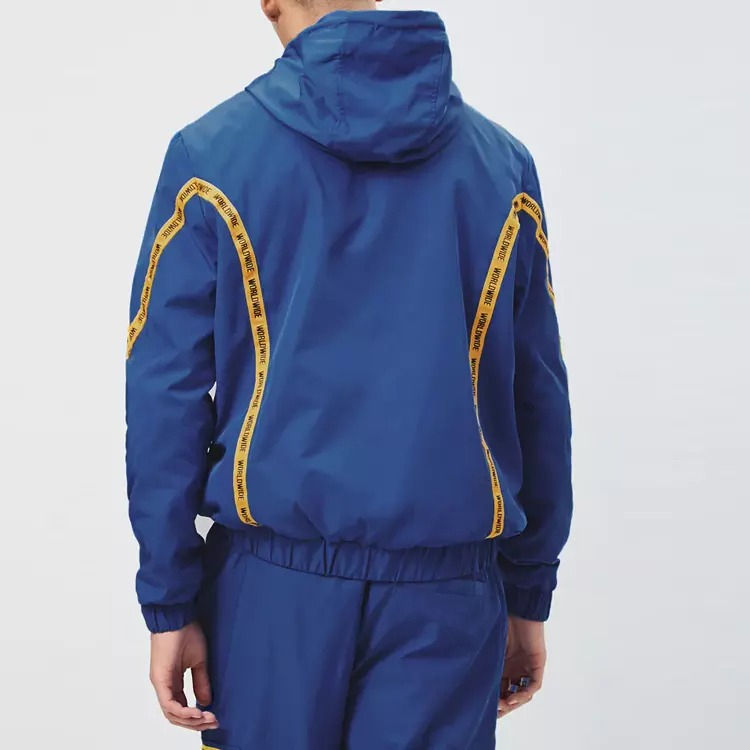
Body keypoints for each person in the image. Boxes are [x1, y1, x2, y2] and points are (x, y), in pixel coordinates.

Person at [125, 1, 573, 747]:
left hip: (270, 595)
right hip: (448, 599)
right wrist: (529, 590)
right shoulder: (502, 167)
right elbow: (539, 395)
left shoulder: (212, 157)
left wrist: (169, 600)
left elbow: (164, 395)